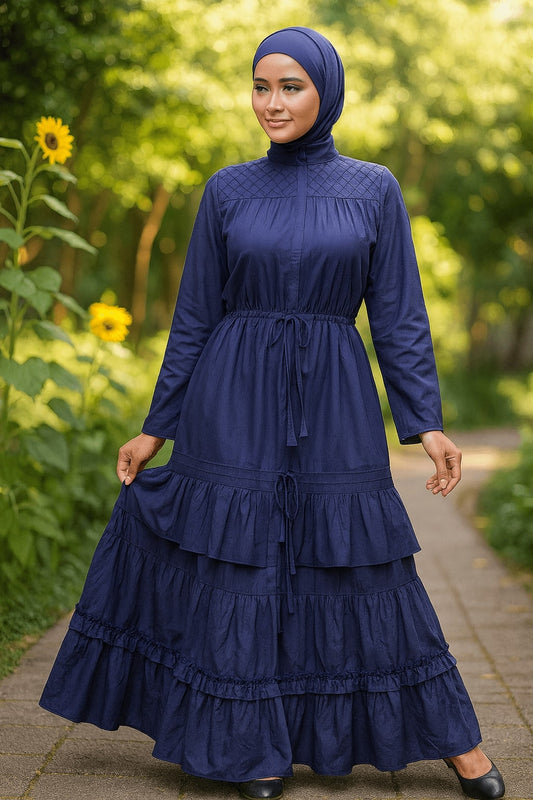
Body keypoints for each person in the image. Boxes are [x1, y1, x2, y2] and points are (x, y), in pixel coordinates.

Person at [40, 26, 505, 800]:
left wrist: (425, 422)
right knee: (243, 560)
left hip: (334, 399)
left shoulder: (373, 187)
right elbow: (193, 317)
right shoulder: (226, 189)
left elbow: (397, 317)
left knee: (359, 558)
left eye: (290, 86)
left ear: (325, 90)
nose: (271, 102)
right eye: (260, 86)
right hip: (233, 397)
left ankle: (454, 740)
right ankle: (248, 743)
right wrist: (156, 424)